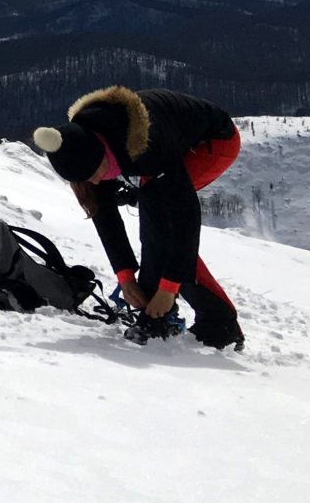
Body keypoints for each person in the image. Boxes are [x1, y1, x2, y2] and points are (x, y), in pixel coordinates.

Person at [32, 86, 245, 349]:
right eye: (86, 179)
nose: (95, 180)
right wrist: (125, 276)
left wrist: (168, 288)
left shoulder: (146, 145)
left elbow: (185, 218)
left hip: (214, 140)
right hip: (170, 145)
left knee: (160, 219)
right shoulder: (85, 143)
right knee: (154, 212)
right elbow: (104, 215)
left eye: (95, 172)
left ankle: (216, 322)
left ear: (101, 156)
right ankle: (186, 312)